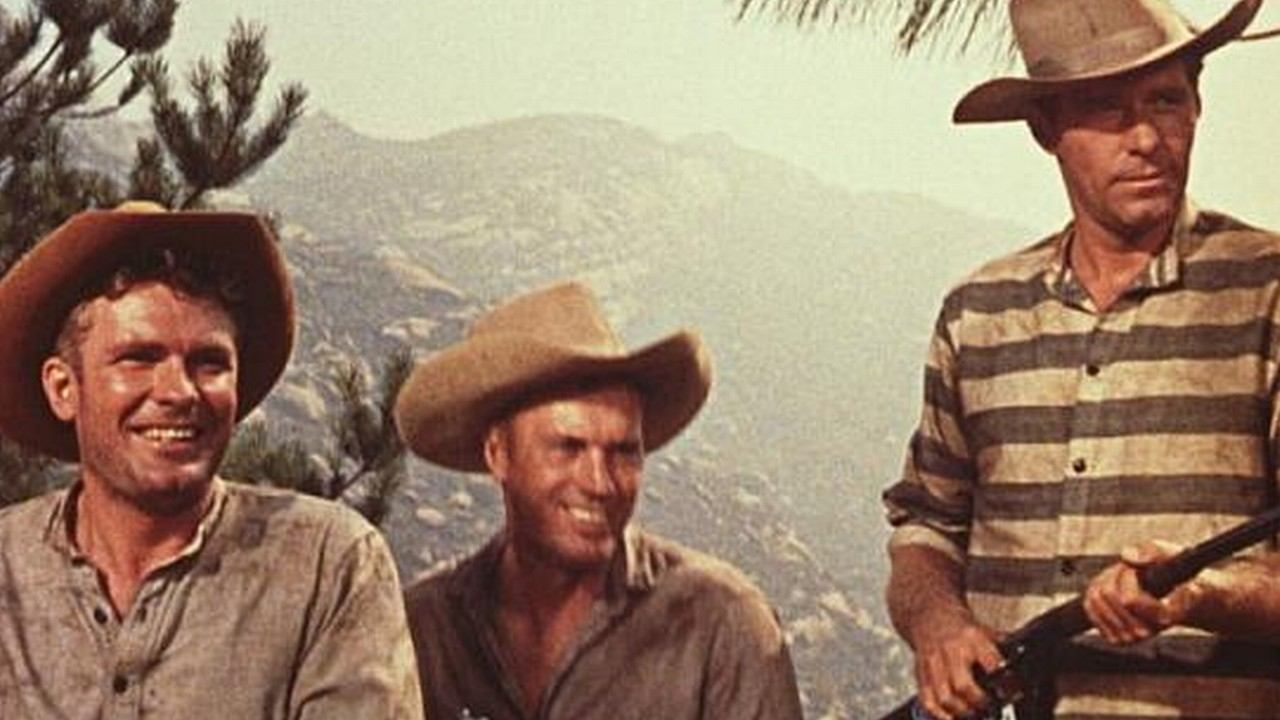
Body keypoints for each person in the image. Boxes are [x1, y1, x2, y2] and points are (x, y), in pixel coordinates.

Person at [882, 0, 1280, 718]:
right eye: (1105, 110)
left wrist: (1199, 595)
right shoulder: (980, 311)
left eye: (1166, 101)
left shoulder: (1268, 293)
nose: (1145, 138)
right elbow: (925, 526)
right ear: (1046, 130)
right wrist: (939, 628)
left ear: (1198, 106)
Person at [0, 202, 423, 719]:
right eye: (139, 358)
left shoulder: (325, 566)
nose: (179, 391)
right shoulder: (9, 567)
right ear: (64, 388)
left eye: (209, 363)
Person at [394, 281, 803, 720]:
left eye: (624, 452)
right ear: (498, 454)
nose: (600, 483)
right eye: (568, 448)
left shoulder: (720, 625)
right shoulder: (423, 630)